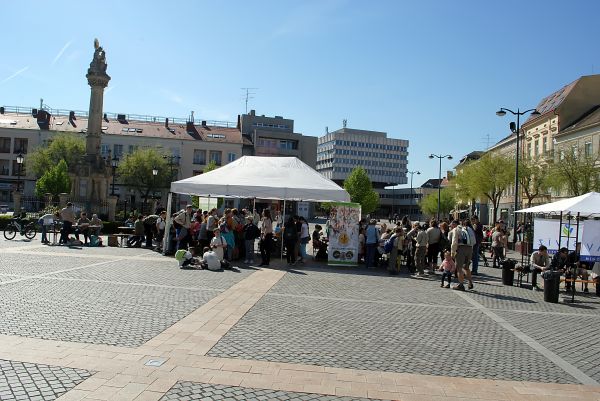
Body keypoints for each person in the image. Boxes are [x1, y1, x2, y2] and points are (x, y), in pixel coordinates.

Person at [449, 219, 475, 291]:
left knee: (459, 268)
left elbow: (454, 242)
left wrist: (452, 253)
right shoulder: (469, 229)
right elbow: (473, 241)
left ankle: (461, 285)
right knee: (466, 267)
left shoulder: (456, 229)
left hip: (461, 249)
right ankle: (470, 282)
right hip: (470, 248)